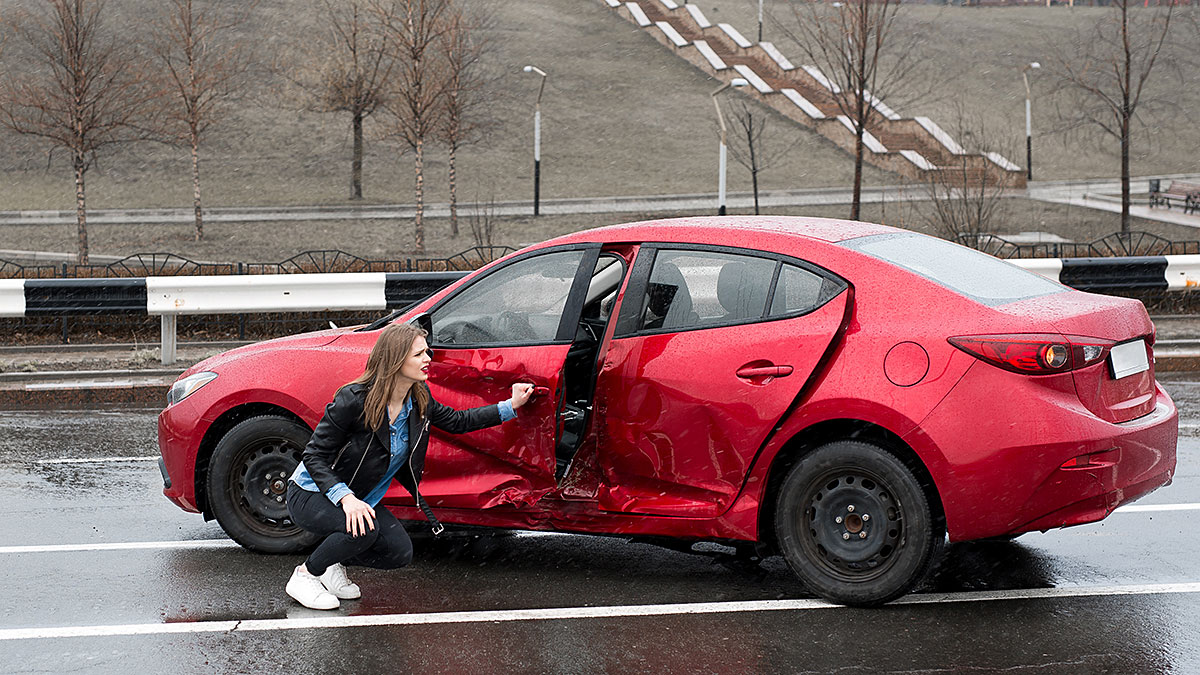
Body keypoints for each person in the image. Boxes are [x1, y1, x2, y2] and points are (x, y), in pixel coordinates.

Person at [284, 322, 534, 610]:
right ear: (395, 359)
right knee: (365, 530)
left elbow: (458, 422)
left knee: (397, 552)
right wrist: (346, 498)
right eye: (419, 355)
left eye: (426, 352)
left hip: (359, 499)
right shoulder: (353, 401)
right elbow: (314, 456)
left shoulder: (418, 399)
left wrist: (511, 405)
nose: (428, 359)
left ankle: (330, 562)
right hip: (312, 493)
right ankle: (305, 575)